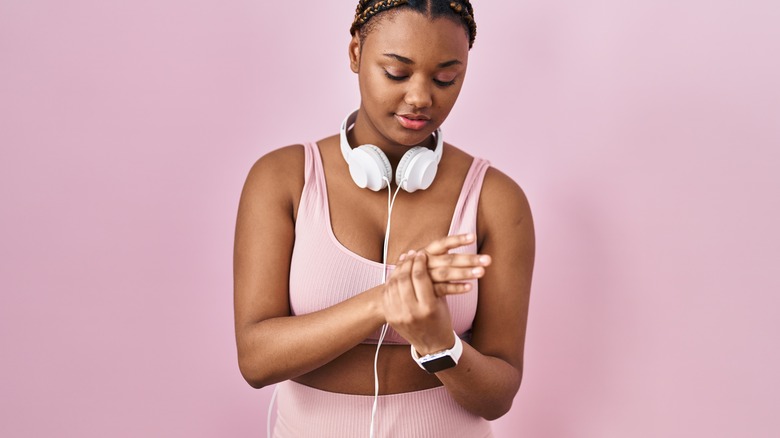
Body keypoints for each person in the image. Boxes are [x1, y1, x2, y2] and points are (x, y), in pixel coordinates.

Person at [233, 1, 535, 436]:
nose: (420, 97)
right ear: (356, 53)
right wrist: (384, 302)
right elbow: (256, 361)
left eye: (446, 78)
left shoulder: (497, 200)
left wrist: (439, 343)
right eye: (397, 72)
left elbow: (497, 398)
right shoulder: (281, 180)